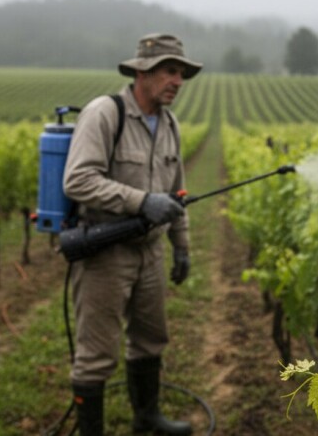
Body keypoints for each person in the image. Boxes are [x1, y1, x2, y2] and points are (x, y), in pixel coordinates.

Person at [63, 33, 201, 436]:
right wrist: (141, 201)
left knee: (150, 339)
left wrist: (181, 245)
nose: (177, 81)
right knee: (96, 354)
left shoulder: (170, 124)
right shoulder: (105, 114)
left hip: (151, 252)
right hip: (106, 252)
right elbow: (78, 180)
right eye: (169, 71)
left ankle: (147, 418)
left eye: (181, 73)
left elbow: (177, 192)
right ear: (142, 72)